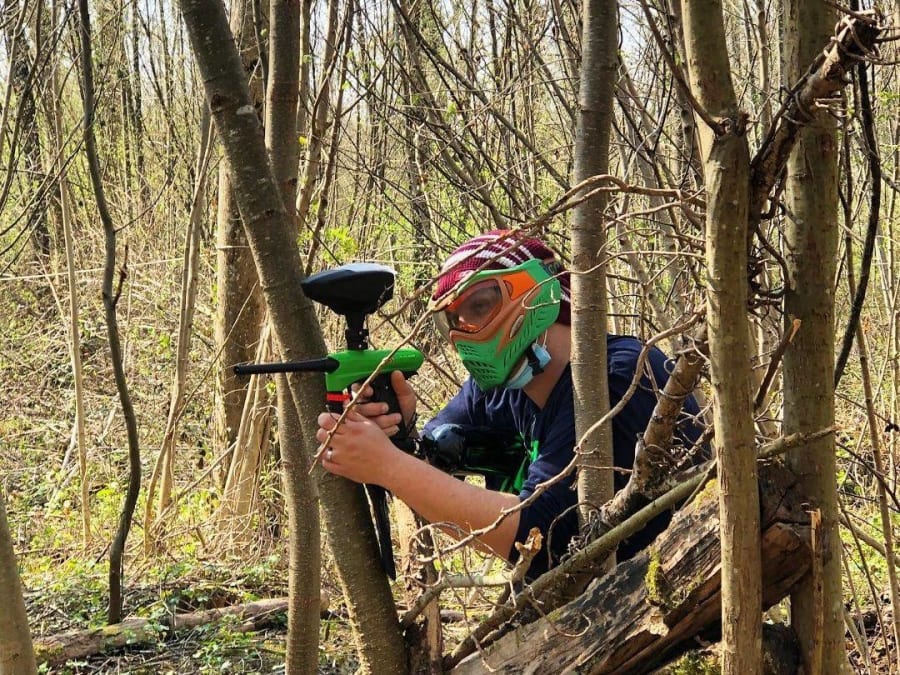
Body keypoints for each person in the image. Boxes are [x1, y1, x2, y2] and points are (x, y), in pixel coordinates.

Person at [316, 230, 703, 580]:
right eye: (453, 320)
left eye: (480, 305)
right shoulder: (505, 385)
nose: (462, 332)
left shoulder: (617, 379)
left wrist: (387, 465)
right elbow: (435, 452)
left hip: (669, 603)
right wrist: (398, 431)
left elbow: (545, 539)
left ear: (540, 291)